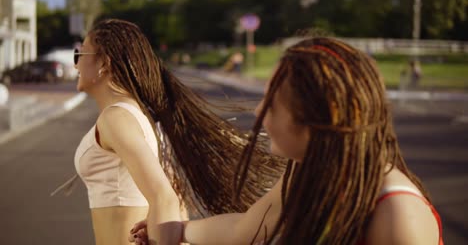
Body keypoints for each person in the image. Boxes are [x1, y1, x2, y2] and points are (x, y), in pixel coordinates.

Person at [130, 37, 443, 244]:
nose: (258, 110)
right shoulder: (307, 172)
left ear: (311, 119)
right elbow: (246, 230)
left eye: (271, 103)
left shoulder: (399, 217)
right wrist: (181, 230)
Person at [58, 19, 284, 245]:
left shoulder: (116, 118)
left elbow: (163, 198)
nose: (75, 64)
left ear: (104, 63)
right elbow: (174, 197)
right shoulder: (142, 116)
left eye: (80, 54)